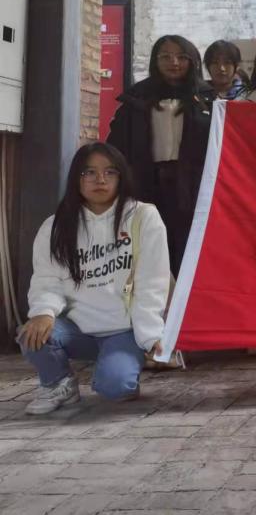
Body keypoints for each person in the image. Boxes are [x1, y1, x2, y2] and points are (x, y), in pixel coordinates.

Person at [19, 143, 170, 413]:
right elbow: (47, 279)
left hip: (123, 330)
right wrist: (43, 312)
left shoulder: (143, 217)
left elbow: (152, 283)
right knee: (31, 334)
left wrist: (150, 335)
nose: (100, 179)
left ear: (121, 177)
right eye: (89, 172)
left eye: (110, 172)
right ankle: (59, 384)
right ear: (76, 178)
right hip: (76, 330)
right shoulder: (55, 226)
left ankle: (119, 368)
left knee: (116, 387)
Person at [108, 35, 210, 277]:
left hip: (192, 185)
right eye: (166, 57)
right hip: (148, 182)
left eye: (181, 57)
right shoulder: (136, 98)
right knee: (151, 242)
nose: (174, 62)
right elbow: (117, 145)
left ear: (192, 61)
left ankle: (184, 294)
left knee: (188, 245)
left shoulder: (207, 98)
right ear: (155, 61)